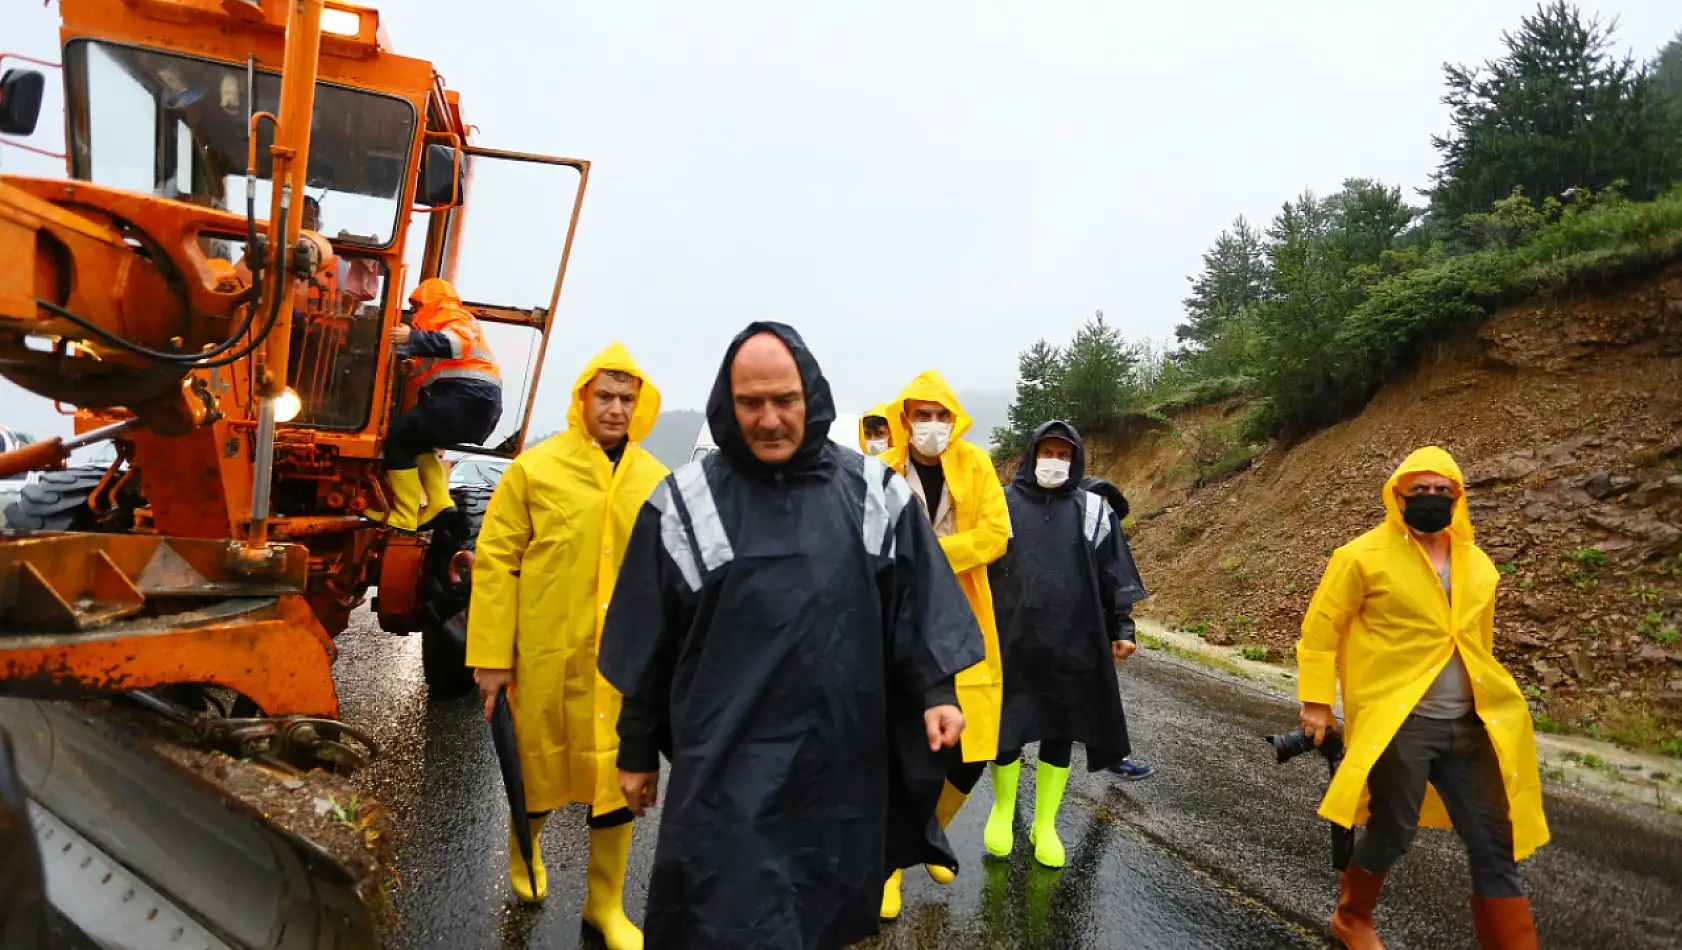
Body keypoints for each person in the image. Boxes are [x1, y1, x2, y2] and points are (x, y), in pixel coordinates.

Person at [597, 323, 983, 950]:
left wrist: (938, 691)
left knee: (821, 912)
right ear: (728, 403)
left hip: (836, 766)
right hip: (724, 771)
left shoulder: (875, 496)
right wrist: (636, 749)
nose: (769, 419)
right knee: (722, 917)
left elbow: (915, 604)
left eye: (785, 400)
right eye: (751, 403)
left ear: (813, 398)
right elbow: (649, 641)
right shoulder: (683, 504)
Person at [1296, 447, 1548, 950]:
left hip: (1471, 726)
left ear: (1457, 498)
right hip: (1402, 722)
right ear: (1398, 496)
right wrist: (1317, 702)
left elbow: (1481, 640)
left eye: (1442, 491)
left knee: (1496, 844)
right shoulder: (1360, 557)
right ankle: (1352, 918)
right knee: (1392, 831)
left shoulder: (1477, 565)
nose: (1431, 499)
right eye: (1420, 491)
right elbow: (1321, 630)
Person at [465, 344, 666, 948]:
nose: (616, 408)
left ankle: (605, 904)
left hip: (622, 663)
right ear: (582, 398)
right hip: (546, 651)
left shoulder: (656, 479)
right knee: (539, 763)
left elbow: (676, 572)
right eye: (605, 396)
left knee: (618, 777)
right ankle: (525, 854)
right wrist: (493, 659)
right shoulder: (536, 469)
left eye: (627, 399)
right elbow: (497, 563)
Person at [877, 370, 1010, 917]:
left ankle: (930, 830)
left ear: (954, 420)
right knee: (898, 744)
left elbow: (996, 535)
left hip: (965, 618)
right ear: (905, 419)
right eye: (922, 415)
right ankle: (885, 865)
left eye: (941, 415)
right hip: (897, 620)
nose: (932, 425)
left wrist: (931, 553)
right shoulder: (879, 472)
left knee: (970, 750)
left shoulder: (975, 465)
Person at [983, 422, 1144, 868]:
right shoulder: (1000, 502)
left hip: (1073, 640)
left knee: (1061, 727)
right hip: (1010, 636)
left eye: (1064, 453)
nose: (1054, 460)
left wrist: (1123, 627)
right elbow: (976, 566)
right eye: (1046, 450)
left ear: (1077, 460)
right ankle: (1002, 809)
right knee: (1008, 726)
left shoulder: (1094, 510)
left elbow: (1115, 574)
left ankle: (1045, 823)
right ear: (1030, 454)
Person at [365, 278, 501, 532]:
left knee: (397, 438)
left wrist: (412, 337)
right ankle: (439, 502)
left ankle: (405, 515)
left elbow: (456, 344)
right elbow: (439, 372)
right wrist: (415, 370)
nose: (416, 312)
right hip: (473, 402)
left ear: (432, 300)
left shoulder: (453, 314)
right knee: (418, 442)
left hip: (466, 397)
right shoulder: (445, 324)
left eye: (418, 306)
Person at [1078, 474, 1156, 783]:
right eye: (1097, 503)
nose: (1103, 510)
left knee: (1101, 698)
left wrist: (1123, 631)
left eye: (1108, 504)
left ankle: (1114, 757)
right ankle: (1007, 760)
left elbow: (1119, 590)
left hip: (1094, 631)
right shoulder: (1055, 537)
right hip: (1045, 631)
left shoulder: (1112, 541)